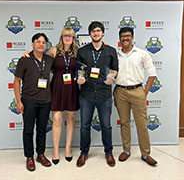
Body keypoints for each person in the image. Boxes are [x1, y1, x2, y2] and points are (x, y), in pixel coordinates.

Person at [23, 28, 79, 165]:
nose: (67, 38)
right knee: (57, 119)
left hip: (71, 87)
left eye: (70, 36)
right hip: (57, 87)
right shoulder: (54, 50)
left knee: (71, 119)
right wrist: (27, 54)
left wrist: (105, 44)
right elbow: (40, 59)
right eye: (65, 35)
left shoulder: (78, 52)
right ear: (61, 37)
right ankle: (55, 151)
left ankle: (67, 149)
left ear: (73, 38)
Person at [113, 27, 158, 166]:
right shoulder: (115, 55)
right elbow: (110, 71)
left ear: (132, 37)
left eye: (127, 36)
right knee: (124, 123)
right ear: (120, 39)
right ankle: (126, 150)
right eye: (122, 36)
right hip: (120, 92)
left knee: (142, 124)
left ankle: (145, 154)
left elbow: (152, 74)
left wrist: (144, 93)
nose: (125, 38)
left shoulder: (142, 54)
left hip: (137, 91)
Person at [76, 21, 118, 167]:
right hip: (86, 94)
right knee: (85, 126)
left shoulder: (111, 51)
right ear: (90, 34)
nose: (96, 33)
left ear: (103, 33)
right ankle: (84, 153)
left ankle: (109, 152)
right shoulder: (82, 51)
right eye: (93, 31)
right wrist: (80, 77)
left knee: (106, 125)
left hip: (104, 94)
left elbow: (115, 69)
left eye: (98, 30)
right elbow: (80, 69)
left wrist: (111, 77)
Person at [14, 33, 54, 171]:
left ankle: (40, 154)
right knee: (28, 130)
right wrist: (18, 102)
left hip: (45, 100)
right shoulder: (24, 59)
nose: (41, 44)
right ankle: (29, 157)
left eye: (44, 42)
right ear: (32, 44)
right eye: (38, 42)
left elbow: (62, 52)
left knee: (42, 129)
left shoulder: (49, 60)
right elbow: (16, 81)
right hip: (29, 100)